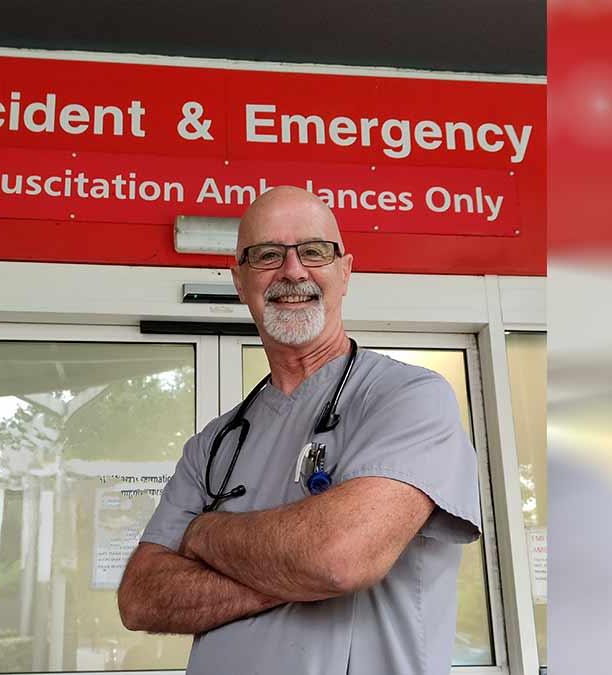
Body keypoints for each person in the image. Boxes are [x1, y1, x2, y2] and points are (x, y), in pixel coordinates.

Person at [117, 186, 482, 675]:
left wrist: (203, 534)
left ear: (345, 272)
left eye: (314, 251)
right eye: (267, 255)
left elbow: (337, 558)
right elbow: (142, 597)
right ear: (240, 280)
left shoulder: (409, 398)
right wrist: (295, 570)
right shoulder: (212, 444)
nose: (292, 271)